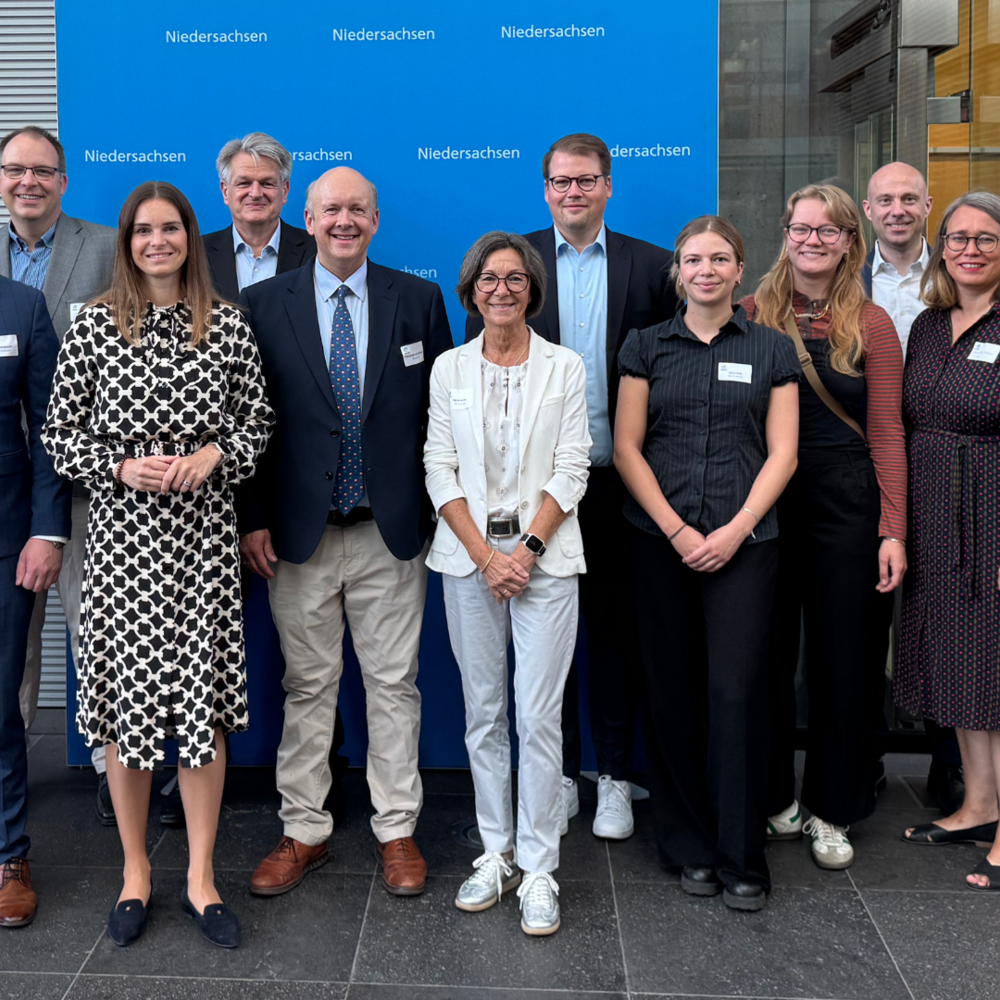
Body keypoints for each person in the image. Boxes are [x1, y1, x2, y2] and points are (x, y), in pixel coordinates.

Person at [41, 181, 274, 947]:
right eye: (143, 231)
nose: (157, 242)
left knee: (200, 715)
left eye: (170, 229)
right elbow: (59, 433)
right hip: (122, 553)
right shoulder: (94, 327)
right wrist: (116, 467)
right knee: (128, 716)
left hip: (203, 548)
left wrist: (215, 453)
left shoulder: (229, 327)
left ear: (188, 236)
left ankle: (202, 876)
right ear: (126, 241)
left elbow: (258, 422)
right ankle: (137, 869)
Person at [238, 167, 452, 900]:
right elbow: (249, 424)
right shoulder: (263, 303)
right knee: (308, 688)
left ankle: (397, 830)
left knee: (395, 686)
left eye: (357, 208)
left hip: (390, 534)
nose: (343, 221)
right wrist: (253, 517)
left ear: (376, 218)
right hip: (299, 535)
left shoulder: (417, 301)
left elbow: (437, 418)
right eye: (331, 209)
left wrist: (431, 515)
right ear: (308, 216)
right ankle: (304, 831)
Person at [464, 133, 679, 839]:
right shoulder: (512, 266)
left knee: (616, 633)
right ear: (545, 189)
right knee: (537, 641)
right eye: (560, 182)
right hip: (530, 492)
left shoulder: (652, 268)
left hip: (619, 482)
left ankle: (614, 775)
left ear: (608, 186)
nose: (573, 193)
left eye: (586, 181)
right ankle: (554, 776)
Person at [615, 215, 799, 912]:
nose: (707, 270)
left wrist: (733, 530)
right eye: (694, 259)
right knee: (672, 693)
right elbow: (628, 447)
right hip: (658, 541)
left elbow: (783, 452)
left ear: (739, 270)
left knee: (734, 694)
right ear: (678, 272)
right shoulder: (646, 346)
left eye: (720, 258)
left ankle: (740, 853)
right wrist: (677, 530)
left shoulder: (771, 349)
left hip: (746, 546)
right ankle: (687, 845)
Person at [427, 231, 590, 935]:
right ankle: (495, 853)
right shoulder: (448, 369)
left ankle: (541, 866)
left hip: (546, 562)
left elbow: (573, 464)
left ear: (532, 289)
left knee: (538, 716)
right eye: (488, 279)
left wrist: (522, 550)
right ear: (470, 291)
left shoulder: (565, 366)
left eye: (515, 279)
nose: (501, 290)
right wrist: (486, 555)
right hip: (468, 563)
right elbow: (438, 466)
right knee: (484, 712)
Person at [742, 184, 907, 870]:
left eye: (828, 230)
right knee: (766, 656)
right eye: (801, 228)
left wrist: (894, 528)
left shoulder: (872, 324)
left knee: (848, 660)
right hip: (766, 501)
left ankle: (835, 808)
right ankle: (776, 798)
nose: (812, 240)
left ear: (849, 241)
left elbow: (888, 433)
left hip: (847, 502)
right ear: (785, 234)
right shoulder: (751, 313)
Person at [0, 126, 119, 824]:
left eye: (42, 171)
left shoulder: (105, 249)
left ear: (64, 181)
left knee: (90, 626)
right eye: (15, 170)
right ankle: (10, 758)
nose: (28, 183)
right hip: (4, 483)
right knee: (11, 636)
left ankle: (112, 767)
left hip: (85, 481)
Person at [896, 192, 1000, 890]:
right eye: (958, 237)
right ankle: (980, 803)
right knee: (964, 665)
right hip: (937, 516)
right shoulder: (930, 327)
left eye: (986, 238)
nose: (969, 249)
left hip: (992, 509)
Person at [863, 162, 964, 814]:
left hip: (943, 463)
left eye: (909, 198)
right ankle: (862, 754)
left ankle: (950, 764)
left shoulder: (956, 276)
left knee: (948, 614)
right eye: (886, 200)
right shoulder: (850, 280)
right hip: (865, 462)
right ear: (868, 211)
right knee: (866, 619)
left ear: (929, 204)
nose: (898, 209)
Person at [0, 275, 71, 927]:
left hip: (6, 535)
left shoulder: (21, 305)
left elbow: (52, 427)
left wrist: (47, 531)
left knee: (0, 703)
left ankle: (8, 856)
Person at [202, 132, 315, 302]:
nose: (255, 194)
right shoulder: (196, 253)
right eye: (244, 183)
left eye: (267, 183)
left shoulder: (317, 251)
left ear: (284, 191)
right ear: (226, 191)